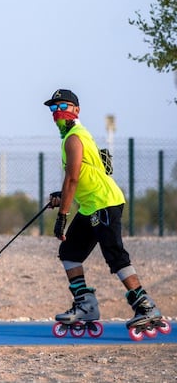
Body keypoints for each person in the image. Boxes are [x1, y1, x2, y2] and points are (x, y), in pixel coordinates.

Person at [44, 88, 163, 331]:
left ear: (76, 110)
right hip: (91, 205)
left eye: (62, 106)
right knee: (69, 252)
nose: (57, 112)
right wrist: (63, 196)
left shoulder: (75, 137)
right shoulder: (72, 137)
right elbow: (85, 175)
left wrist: (63, 215)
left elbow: (72, 178)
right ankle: (86, 305)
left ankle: (146, 306)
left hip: (105, 202)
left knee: (114, 254)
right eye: (53, 108)